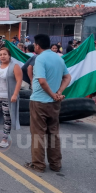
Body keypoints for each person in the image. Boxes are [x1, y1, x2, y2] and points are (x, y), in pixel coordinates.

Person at [24, 34, 71, 173]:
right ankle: (56, 164)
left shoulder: (40, 59)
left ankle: (38, 165)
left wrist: (52, 94)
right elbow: (67, 76)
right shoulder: (59, 58)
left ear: (37, 46)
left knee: (38, 134)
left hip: (39, 101)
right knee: (53, 133)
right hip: (54, 103)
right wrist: (58, 93)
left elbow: (42, 81)